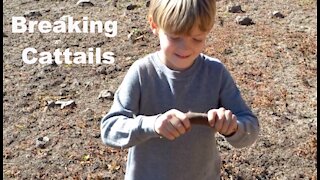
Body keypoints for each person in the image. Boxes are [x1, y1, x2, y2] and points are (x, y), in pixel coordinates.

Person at [100, 0, 260, 179]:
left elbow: (250, 128)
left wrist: (232, 128)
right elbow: (110, 130)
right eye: (175, 37)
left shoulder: (215, 73)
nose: (186, 47)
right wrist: (152, 124)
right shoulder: (142, 73)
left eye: (197, 38)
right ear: (154, 25)